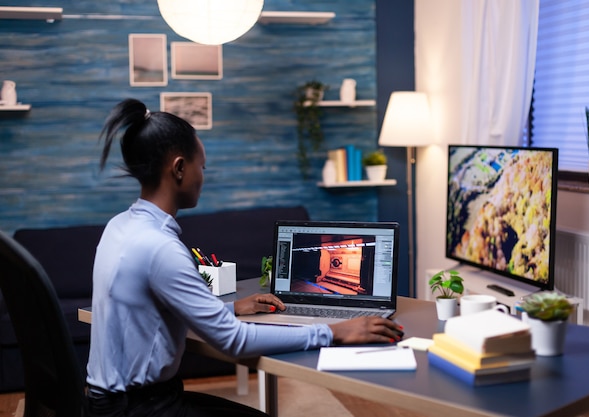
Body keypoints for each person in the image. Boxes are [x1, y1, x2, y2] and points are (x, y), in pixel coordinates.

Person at [86, 98, 404, 417]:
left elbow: (155, 312)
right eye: (202, 166)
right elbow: (233, 341)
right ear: (180, 168)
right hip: (138, 408)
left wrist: (231, 308)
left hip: (113, 401)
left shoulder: (121, 226)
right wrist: (334, 331)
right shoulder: (160, 247)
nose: (203, 177)